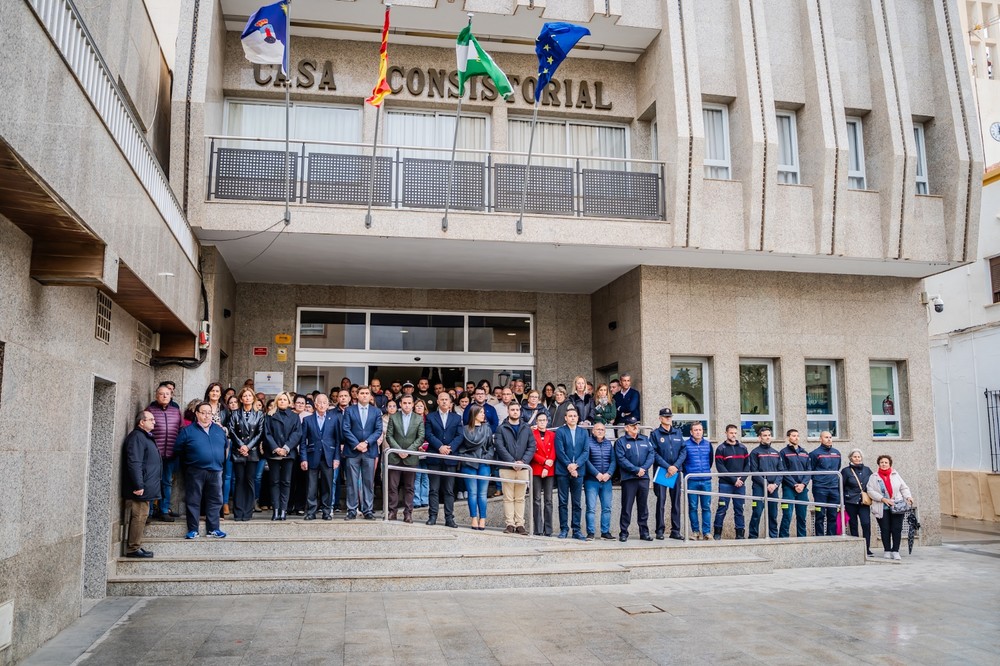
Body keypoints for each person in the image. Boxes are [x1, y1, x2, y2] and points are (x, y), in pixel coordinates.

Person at [173, 402, 228, 539]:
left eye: (209, 413)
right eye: (203, 412)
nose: (206, 415)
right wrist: (191, 461)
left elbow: (225, 447)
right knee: (193, 500)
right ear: (197, 414)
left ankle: (213, 529)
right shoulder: (187, 431)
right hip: (195, 470)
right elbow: (178, 449)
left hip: (216, 471)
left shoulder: (219, 430)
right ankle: (193, 529)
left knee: (215, 500)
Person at [122, 410, 161, 557]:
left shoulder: (144, 437)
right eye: (151, 419)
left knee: (142, 516)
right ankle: (133, 548)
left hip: (146, 484)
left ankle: (137, 545)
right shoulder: (137, 437)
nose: (154, 422)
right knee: (139, 516)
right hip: (140, 487)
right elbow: (134, 462)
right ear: (142, 422)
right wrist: (138, 485)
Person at [341, 386, 384, 520]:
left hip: (369, 450)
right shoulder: (349, 410)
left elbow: (378, 430)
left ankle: (368, 510)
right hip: (353, 451)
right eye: (362, 393)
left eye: (367, 393)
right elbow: (346, 429)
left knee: (368, 482)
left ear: (370, 396)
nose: (364, 395)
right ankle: (352, 510)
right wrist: (357, 444)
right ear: (357, 396)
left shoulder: (376, 411)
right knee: (352, 482)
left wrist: (366, 443)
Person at [493, 401, 535, 535]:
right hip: (507, 467)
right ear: (508, 411)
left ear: (520, 412)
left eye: (517, 410)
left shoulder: (526, 428)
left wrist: (522, 462)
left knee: (520, 498)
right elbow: (500, 447)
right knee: (508, 497)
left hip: (523, 468)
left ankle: (520, 524)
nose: (515, 412)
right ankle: (510, 524)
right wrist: (512, 462)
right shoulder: (501, 428)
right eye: (512, 410)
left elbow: (531, 446)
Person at [299, 394, 340, 521]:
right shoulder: (307, 420)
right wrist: (303, 458)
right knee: (312, 486)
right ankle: (311, 511)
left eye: (324, 403)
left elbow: (338, 441)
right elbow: (303, 442)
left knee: (327, 485)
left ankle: (327, 511)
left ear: (328, 405)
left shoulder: (334, 419)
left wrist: (337, 458)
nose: (322, 405)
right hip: (312, 456)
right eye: (319, 403)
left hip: (329, 456)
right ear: (315, 405)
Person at [385, 394, 424, 523]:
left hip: (411, 457)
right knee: (392, 486)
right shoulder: (394, 417)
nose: (407, 405)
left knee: (409, 487)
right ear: (400, 404)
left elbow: (420, 438)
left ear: (413, 404)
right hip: (395, 456)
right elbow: (389, 436)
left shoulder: (418, 419)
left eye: (409, 403)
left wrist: (408, 451)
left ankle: (408, 513)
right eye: (404, 403)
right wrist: (399, 450)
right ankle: (392, 511)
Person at [262, 392, 301, 521]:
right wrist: (276, 448)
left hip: (288, 454)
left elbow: (297, 433)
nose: (282, 401)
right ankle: (276, 510)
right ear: (277, 401)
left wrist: (286, 448)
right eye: (280, 399)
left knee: (286, 482)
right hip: (273, 453)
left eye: (285, 399)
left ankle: (283, 510)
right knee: (274, 482)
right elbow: (267, 433)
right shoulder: (269, 415)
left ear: (289, 402)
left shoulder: (294, 417)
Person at [226, 387, 263, 522]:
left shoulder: (259, 414)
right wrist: (241, 445)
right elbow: (231, 430)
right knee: (239, 480)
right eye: (245, 396)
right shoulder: (235, 413)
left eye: (249, 396)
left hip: (252, 452)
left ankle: (248, 512)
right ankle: (238, 511)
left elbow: (260, 433)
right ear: (241, 399)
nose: (247, 398)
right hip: (238, 451)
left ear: (253, 398)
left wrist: (248, 446)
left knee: (250, 480)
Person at [425, 392, 461, 527]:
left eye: (447, 399)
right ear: (438, 402)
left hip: (450, 458)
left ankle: (449, 518)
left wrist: (449, 448)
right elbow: (428, 434)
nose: (444, 402)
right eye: (442, 399)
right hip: (435, 456)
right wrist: (440, 447)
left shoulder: (456, 418)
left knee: (449, 490)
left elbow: (459, 435)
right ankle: (432, 516)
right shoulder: (430, 416)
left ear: (450, 402)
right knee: (434, 489)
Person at [615, 416, 654, 542]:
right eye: (632, 425)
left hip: (644, 478)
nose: (635, 427)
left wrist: (643, 469)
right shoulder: (621, 442)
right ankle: (624, 532)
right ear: (626, 428)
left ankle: (644, 532)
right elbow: (621, 459)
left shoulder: (645, 439)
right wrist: (636, 470)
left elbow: (651, 455)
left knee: (643, 507)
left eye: (636, 424)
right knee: (627, 507)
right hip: (629, 478)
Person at [867, 455, 913, 560]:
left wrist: (908, 496)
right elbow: (870, 491)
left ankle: (895, 550)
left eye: (886, 462)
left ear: (890, 464)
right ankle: (887, 550)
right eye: (881, 462)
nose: (884, 464)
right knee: (885, 529)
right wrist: (883, 499)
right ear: (878, 464)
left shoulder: (895, 475)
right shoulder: (874, 477)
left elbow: (903, 487)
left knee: (896, 529)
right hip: (882, 507)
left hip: (897, 506)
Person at [651, 407, 687, 540]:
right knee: (661, 501)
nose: (668, 419)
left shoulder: (677, 433)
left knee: (676, 502)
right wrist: (668, 467)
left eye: (670, 417)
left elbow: (683, 451)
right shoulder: (655, 434)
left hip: (675, 472)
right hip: (662, 471)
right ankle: (659, 530)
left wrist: (675, 466)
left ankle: (675, 530)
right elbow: (654, 453)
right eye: (666, 417)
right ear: (660, 418)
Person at [147, 385, 182, 522]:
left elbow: (181, 430)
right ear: (156, 396)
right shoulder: (150, 410)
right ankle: (149, 512)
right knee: (152, 483)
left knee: (167, 482)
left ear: (171, 395)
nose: (165, 396)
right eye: (161, 394)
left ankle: (164, 509)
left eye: (167, 394)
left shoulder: (176, 411)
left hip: (171, 454)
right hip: (154, 455)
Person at [457, 404, 494, 530]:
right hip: (469, 463)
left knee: (482, 494)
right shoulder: (464, 429)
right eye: (481, 412)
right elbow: (460, 447)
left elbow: (490, 447)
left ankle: (482, 518)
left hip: (483, 462)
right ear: (474, 414)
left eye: (484, 412)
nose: (484, 414)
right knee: (472, 493)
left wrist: (487, 457)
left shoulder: (487, 429)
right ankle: (473, 518)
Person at [554, 407, 589, 540]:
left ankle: (576, 530)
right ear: (565, 418)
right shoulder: (560, 431)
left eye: (575, 416)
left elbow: (586, 451)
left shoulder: (583, 432)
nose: (573, 418)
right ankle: (564, 529)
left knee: (577, 502)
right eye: (570, 416)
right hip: (563, 471)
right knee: (563, 501)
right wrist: (569, 466)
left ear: (578, 418)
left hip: (578, 471)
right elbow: (560, 451)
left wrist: (576, 466)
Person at [713, 424, 749, 540]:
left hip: (740, 485)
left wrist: (741, 480)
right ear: (726, 433)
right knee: (722, 509)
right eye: (731, 433)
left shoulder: (743, 448)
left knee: (739, 510)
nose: (733, 435)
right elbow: (721, 468)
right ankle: (717, 533)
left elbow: (747, 466)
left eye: (735, 433)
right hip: (725, 484)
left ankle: (740, 534)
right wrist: (734, 480)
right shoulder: (721, 449)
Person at [748, 427, 783, 539]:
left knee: (773, 514)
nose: (768, 437)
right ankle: (753, 537)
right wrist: (766, 484)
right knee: (757, 513)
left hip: (774, 488)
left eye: (769, 435)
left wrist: (775, 484)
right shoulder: (755, 452)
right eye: (765, 435)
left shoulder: (776, 453)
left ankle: (773, 536)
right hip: (759, 487)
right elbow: (754, 471)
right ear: (759, 438)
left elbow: (781, 471)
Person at [584, 422, 616, 540]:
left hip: (606, 481)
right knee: (591, 508)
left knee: (607, 507)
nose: (600, 431)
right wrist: (596, 474)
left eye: (602, 429)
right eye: (597, 429)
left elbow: (613, 460)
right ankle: (591, 532)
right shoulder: (588, 442)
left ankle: (605, 532)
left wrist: (609, 474)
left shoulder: (608, 443)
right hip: (591, 480)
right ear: (593, 431)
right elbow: (586, 460)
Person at [683, 422, 714, 540]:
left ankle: (706, 532)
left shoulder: (708, 444)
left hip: (706, 480)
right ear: (691, 432)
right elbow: (683, 461)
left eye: (700, 430)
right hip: (692, 480)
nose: (698, 432)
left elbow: (710, 461)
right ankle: (695, 531)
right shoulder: (685, 445)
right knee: (693, 507)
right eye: (695, 430)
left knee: (706, 507)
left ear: (703, 431)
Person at [778, 429, 810, 538]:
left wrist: (803, 484)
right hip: (789, 488)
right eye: (793, 436)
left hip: (802, 489)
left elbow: (809, 471)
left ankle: (802, 538)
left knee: (802, 516)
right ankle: (783, 538)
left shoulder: (804, 453)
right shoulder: (783, 452)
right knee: (787, 515)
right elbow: (783, 470)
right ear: (788, 437)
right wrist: (794, 484)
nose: (796, 438)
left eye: (797, 435)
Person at [842, 448, 874, 556]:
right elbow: (841, 486)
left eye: (859, 457)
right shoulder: (846, 471)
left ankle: (867, 548)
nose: (857, 458)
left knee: (866, 524)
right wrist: (841, 502)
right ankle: (856, 548)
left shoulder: (867, 470)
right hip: (850, 501)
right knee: (853, 524)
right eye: (855, 456)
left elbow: (873, 484)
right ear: (851, 458)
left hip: (864, 502)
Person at [809, 431, 842, 536]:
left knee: (832, 514)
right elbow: (811, 470)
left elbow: (837, 468)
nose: (829, 439)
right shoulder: (815, 454)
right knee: (820, 514)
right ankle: (819, 537)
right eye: (826, 437)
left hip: (834, 488)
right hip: (820, 488)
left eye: (830, 437)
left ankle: (831, 537)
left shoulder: (837, 453)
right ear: (820, 439)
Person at [530, 412, 557, 536]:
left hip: (549, 470)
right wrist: (544, 461)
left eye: (544, 420)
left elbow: (553, 452)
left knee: (548, 500)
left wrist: (547, 466)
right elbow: (531, 452)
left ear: (547, 421)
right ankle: (538, 528)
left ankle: (548, 529)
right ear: (536, 421)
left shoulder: (552, 435)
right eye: (539, 420)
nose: (542, 422)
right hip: (536, 469)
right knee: (536, 499)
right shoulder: (531, 434)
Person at [411, 399, 430, 509]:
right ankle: (416, 500)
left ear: (424, 408)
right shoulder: (412, 420)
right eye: (417, 406)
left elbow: (430, 434)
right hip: (415, 451)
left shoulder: (428, 420)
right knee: (417, 477)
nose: (419, 408)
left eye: (421, 406)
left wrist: (425, 447)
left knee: (426, 477)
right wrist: (417, 446)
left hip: (427, 451)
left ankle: (425, 499)